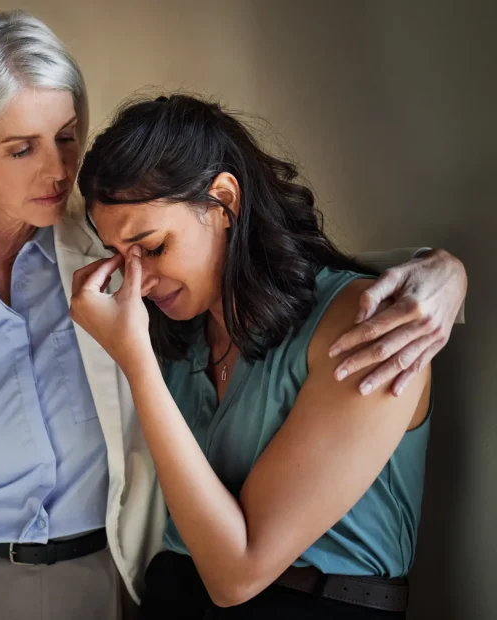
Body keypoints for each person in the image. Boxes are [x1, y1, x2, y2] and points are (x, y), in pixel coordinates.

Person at [0, 13, 468, 620]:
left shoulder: (121, 270)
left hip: (118, 582)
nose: (60, 170)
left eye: (66, 137)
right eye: (22, 148)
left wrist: (445, 273)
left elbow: (303, 273)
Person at [69, 94, 462, 618]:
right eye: (121, 258)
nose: (138, 282)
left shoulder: (366, 324)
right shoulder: (177, 335)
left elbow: (237, 575)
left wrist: (137, 365)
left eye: (154, 247)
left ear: (223, 200)